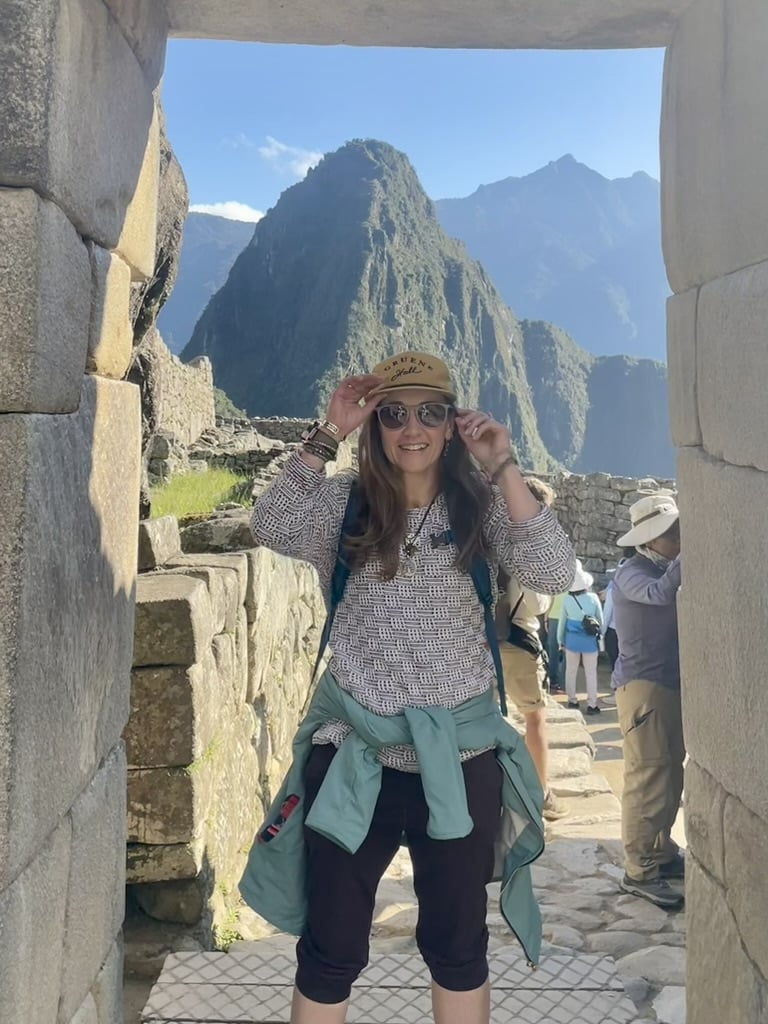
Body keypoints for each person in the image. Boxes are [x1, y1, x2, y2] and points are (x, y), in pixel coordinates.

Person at [239, 351, 575, 1024]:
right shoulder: (343, 507)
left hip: (459, 759)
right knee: (329, 947)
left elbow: (554, 568)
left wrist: (502, 465)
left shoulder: (481, 510)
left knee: (457, 945)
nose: (411, 429)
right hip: (355, 754)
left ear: (452, 424)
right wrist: (328, 431)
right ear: (378, 425)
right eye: (394, 414)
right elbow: (270, 522)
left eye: (430, 412)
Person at [612, 493, 684, 909]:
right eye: (671, 533)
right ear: (648, 541)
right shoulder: (631, 573)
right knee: (648, 776)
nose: (677, 537)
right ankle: (638, 868)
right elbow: (660, 594)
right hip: (643, 688)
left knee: (671, 773)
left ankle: (660, 851)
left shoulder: (651, 566)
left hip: (666, 686)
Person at [497, 478, 567, 821]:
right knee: (534, 718)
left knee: (490, 719)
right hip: (520, 644)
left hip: (483, 644)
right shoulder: (527, 554)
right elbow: (537, 603)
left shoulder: (492, 541)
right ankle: (540, 792)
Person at [557, 562, 603, 714]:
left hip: (572, 641)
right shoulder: (593, 598)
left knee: (571, 671)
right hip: (589, 641)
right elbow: (600, 620)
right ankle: (592, 704)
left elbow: (561, 624)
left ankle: (572, 700)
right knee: (591, 673)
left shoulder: (567, 600)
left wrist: (560, 641)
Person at [545, 590, 566, 693]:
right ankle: (564, 682)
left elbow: (550, 599)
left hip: (554, 616)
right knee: (566, 651)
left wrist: (546, 617)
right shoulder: (573, 581)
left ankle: (553, 680)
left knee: (553, 650)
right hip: (568, 617)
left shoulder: (556, 579)